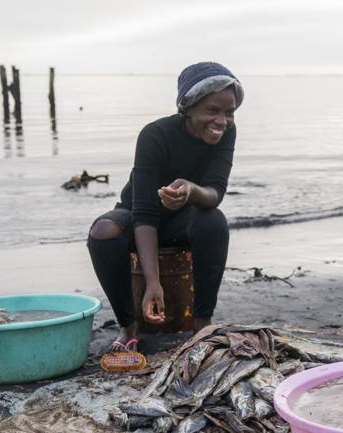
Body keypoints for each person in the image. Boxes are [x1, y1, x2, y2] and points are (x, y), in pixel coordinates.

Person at [87, 62, 243, 349]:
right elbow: (144, 212)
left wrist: (191, 190)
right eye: (212, 110)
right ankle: (129, 326)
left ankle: (201, 325)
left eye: (229, 112)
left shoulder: (226, 133)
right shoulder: (155, 135)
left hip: (183, 221)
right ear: (188, 106)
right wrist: (153, 284)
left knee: (214, 221)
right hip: (137, 214)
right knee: (104, 231)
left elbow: (215, 193)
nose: (222, 120)